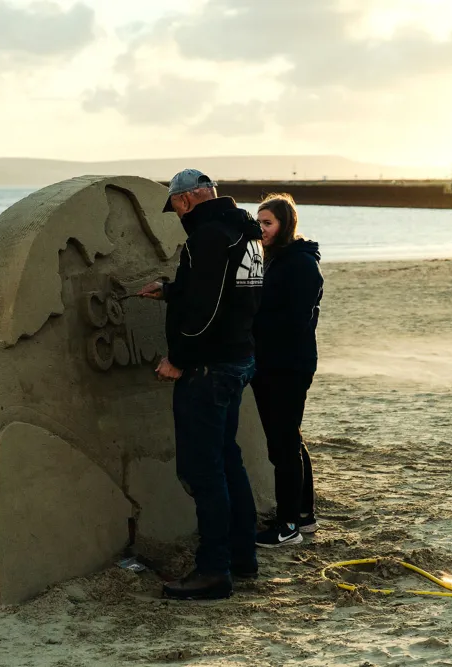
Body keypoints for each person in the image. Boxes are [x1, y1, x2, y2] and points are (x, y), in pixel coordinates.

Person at [138, 169, 265, 600]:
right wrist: (173, 290)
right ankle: (242, 556)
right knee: (228, 460)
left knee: (201, 471)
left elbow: (206, 314)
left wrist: (178, 359)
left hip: (209, 369)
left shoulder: (207, 236)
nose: (174, 214)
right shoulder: (245, 231)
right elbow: (227, 293)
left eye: (173, 206)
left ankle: (213, 570)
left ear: (185, 201)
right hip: (239, 357)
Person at [249, 193, 324, 548]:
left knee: (281, 447)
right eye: (258, 222)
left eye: (268, 223)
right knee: (290, 440)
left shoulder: (300, 264)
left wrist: (257, 326)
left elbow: (295, 320)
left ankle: (288, 525)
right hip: (275, 363)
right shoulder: (276, 259)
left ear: (285, 224)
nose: (260, 228)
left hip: (287, 366)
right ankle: (304, 516)